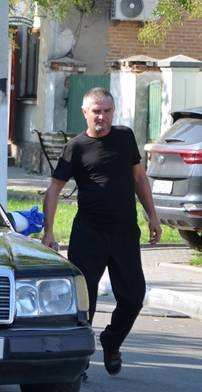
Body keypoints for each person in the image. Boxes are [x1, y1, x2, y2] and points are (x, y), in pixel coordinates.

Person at [42, 87, 161, 376]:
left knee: (133, 296)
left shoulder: (125, 137)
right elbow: (53, 190)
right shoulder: (76, 147)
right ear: (85, 113)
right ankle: (79, 359)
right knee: (85, 300)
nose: (102, 117)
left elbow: (139, 178)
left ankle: (111, 340)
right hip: (89, 233)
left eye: (107, 111)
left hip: (124, 233)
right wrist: (48, 233)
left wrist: (152, 217)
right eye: (96, 111)